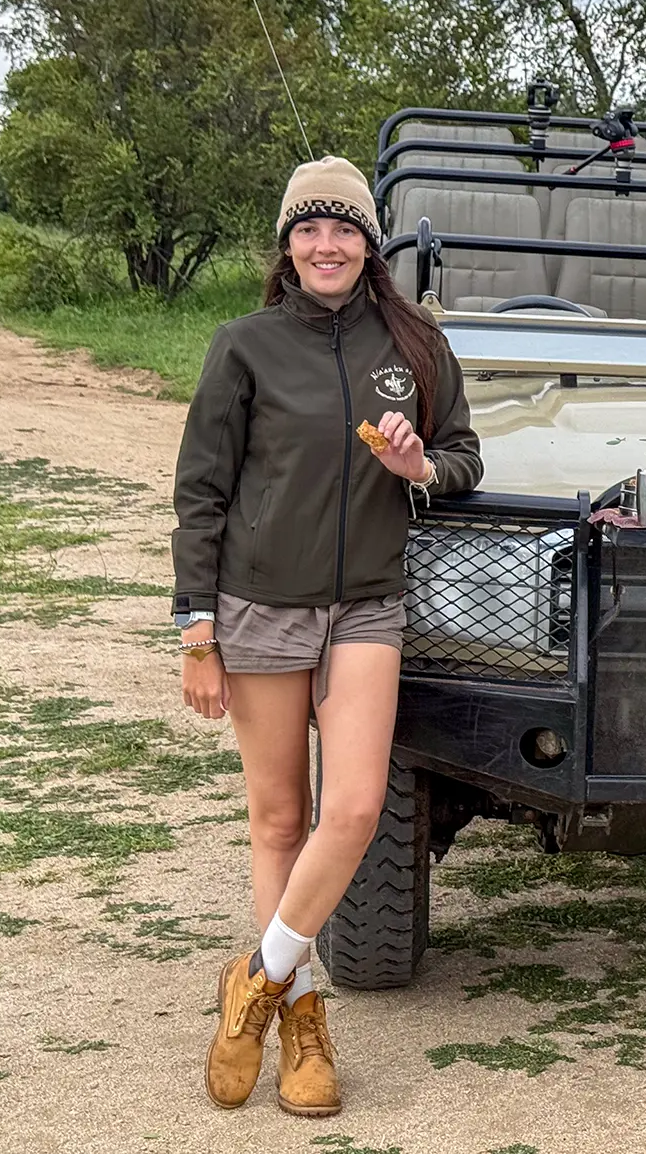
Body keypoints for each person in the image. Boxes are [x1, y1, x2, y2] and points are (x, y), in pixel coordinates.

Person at [171, 157, 483, 1117]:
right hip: (260, 606)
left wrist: (419, 463)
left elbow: (466, 459)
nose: (326, 245)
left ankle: (254, 987)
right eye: (307, 229)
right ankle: (305, 1024)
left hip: (367, 607)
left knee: (350, 809)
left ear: (370, 243)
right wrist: (197, 628)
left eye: (343, 228)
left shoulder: (417, 346)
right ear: (287, 245)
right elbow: (202, 491)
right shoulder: (245, 347)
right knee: (279, 821)